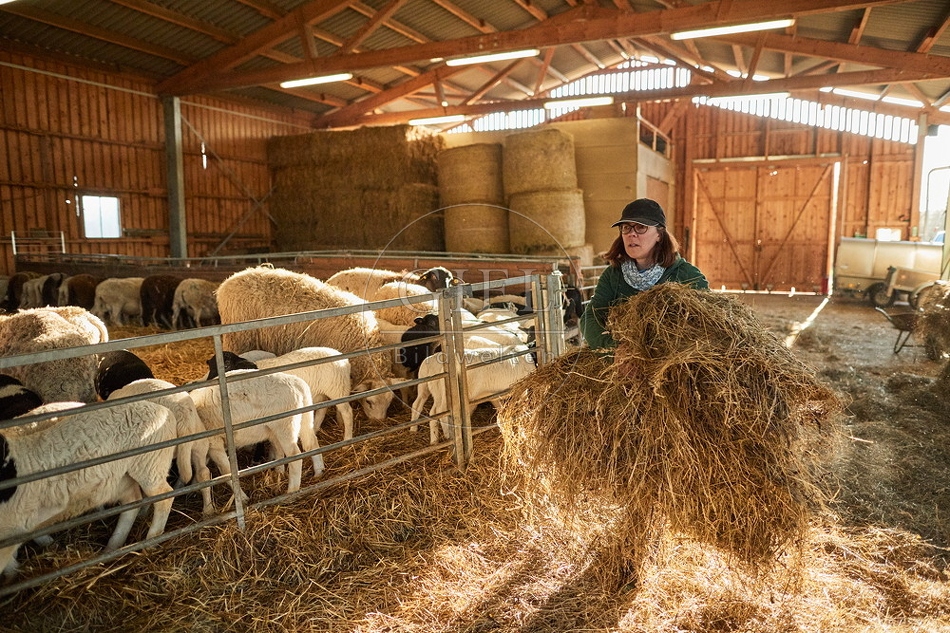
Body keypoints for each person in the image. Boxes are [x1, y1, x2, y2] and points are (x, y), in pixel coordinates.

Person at [580, 198, 709, 350]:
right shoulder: (613, 275)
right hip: (623, 365)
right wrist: (617, 351)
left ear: (659, 235)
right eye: (626, 228)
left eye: (641, 227)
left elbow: (708, 323)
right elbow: (589, 318)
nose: (631, 234)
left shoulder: (687, 275)